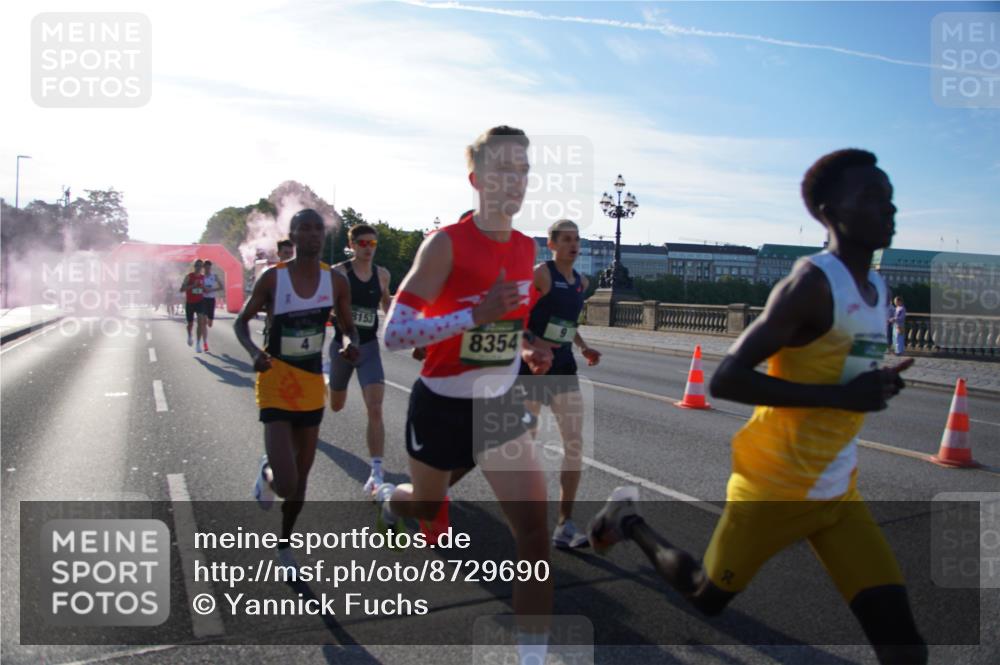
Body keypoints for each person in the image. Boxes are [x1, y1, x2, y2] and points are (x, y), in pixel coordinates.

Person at [587, 149, 926, 665]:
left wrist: (874, 386)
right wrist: (841, 398)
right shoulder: (810, 285)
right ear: (830, 211)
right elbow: (726, 378)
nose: (890, 209)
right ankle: (629, 521)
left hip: (838, 490)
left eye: (891, 197)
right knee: (707, 595)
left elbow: (839, 368)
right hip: (774, 487)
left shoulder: (878, 287)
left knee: (905, 650)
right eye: (874, 198)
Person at [375, 126, 555, 665]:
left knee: (534, 536)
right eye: (502, 170)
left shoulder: (527, 249)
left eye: (523, 170)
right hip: (441, 404)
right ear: (476, 179)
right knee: (426, 506)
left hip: (498, 406)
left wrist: (528, 346)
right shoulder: (446, 243)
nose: (515, 181)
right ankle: (392, 499)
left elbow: (510, 320)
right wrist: (472, 315)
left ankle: (532, 657)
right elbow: (395, 334)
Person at [235, 208, 359, 569]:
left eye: (318, 229)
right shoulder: (273, 279)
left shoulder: (335, 282)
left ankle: (285, 544)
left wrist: (348, 343)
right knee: (287, 482)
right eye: (304, 229)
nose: (312, 234)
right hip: (275, 378)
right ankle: (269, 472)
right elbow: (242, 323)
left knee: (302, 478)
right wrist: (253, 352)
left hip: (309, 385)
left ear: (324, 236)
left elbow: (347, 327)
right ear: (292, 235)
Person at [520, 219, 601, 549]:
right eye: (566, 239)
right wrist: (532, 344)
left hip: (564, 366)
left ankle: (564, 524)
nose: (574, 244)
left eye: (577, 239)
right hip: (534, 368)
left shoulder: (582, 281)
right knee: (528, 442)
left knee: (574, 444)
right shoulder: (541, 274)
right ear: (552, 245)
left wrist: (583, 346)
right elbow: (517, 316)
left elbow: (567, 322)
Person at [329, 224, 393, 494]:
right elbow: (330, 308)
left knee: (375, 407)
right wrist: (346, 335)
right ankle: (328, 382)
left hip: (368, 347)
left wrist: (396, 328)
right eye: (363, 243)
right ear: (352, 245)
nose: (368, 249)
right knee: (336, 405)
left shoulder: (382, 274)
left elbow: (386, 304)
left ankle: (376, 471)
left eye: (373, 244)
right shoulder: (338, 273)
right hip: (343, 347)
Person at [179, 259, 208, 352]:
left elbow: (206, 290)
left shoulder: (203, 278)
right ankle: (189, 335)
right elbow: (182, 289)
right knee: (190, 323)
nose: (199, 268)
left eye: (200, 266)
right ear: (194, 266)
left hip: (200, 302)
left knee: (200, 322)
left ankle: (198, 344)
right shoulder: (189, 277)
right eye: (197, 266)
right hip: (190, 302)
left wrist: (203, 288)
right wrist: (193, 286)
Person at [201, 260, 224, 352]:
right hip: (203, 300)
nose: (207, 269)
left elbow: (221, 287)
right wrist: (203, 289)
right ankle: (205, 343)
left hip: (211, 300)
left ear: (210, 268)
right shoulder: (201, 277)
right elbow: (197, 286)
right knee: (203, 322)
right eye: (205, 267)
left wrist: (211, 289)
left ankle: (209, 321)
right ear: (203, 268)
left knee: (209, 324)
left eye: (209, 267)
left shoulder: (214, 276)